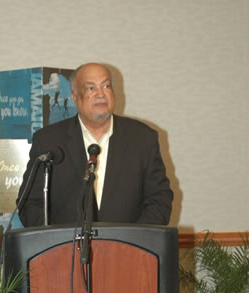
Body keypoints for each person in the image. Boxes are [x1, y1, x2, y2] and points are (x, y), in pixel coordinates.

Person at [17, 63, 173, 226]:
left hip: (127, 248)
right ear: (75, 97)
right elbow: (30, 203)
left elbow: (160, 199)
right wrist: (55, 243)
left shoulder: (142, 139)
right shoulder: (49, 141)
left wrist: (133, 243)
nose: (101, 94)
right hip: (67, 249)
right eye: (91, 88)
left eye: (106, 86)